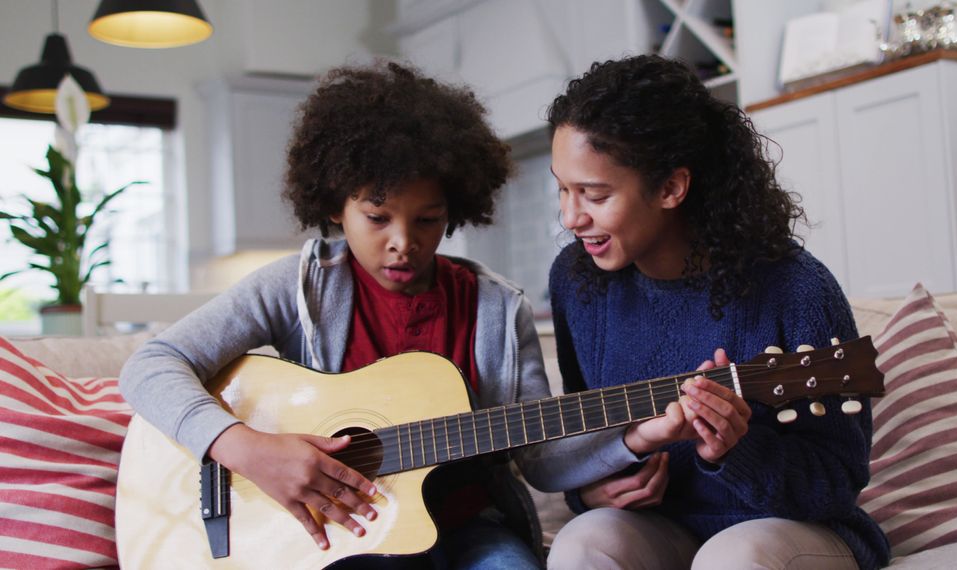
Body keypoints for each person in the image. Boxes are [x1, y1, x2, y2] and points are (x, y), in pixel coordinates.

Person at [118, 61, 615, 569]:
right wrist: (245, 449)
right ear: (336, 204)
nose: (404, 242)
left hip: (470, 529)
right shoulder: (297, 288)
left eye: (428, 219)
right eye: (377, 218)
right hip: (344, 531)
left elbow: (541, 456)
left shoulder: (496, 308)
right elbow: (151, 364)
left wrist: (639, 436)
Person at [542, 54, 891, 570]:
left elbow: (838, 482)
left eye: (594, 194)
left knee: (734, 559)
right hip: (664, 529)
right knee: (581, 543)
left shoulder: (796, 289)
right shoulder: (577, 282)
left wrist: (738, 449)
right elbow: (585, 435)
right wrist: (593, 493)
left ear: (670, 188)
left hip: (789, 530)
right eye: (563, 190)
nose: (572, 217)